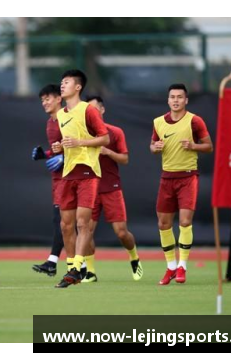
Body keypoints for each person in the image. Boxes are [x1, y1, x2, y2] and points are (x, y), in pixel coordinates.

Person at [150, 83, 213, 285]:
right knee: (163, 223)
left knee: (185, 222)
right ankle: (170, 267)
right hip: (167, 178)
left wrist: (194, 146)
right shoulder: (158, 122)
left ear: (186, 100)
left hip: (188, 177)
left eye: (179, 97)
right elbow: (153, 145)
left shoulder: (194, 121)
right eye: (172, 97)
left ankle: (182, 267)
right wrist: (155, 147)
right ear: (168, 100)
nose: (176, 100)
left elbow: (209, 146)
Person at [52, 70, 109, 288]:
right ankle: (71, 270)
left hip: (87, 172)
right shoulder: (61, 115)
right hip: (68, 173)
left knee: (82, 223)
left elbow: (104, 138)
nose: (61, 85)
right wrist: (59, 147)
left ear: (78, 87)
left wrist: (79, 142)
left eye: (65, 82)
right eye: (61, 82)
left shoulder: (88, 110)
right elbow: (68, 142)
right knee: (66, 225)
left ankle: (77, 268)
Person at [83, 96, 143, 283]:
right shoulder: (82, 134)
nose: (92, 113)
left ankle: (134, 257)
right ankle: (90, 272)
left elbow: (125, 159)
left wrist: (108, 152)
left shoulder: (115, 132)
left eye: (95, 109)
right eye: (88, 110)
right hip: (89, 189)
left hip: (111, 188)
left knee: (121, 232)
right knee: (85, 231)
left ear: (102, 110)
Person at [31, 84, 65, 277]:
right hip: (58, 178)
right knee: (61, 222)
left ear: (59, 98)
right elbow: (58, 150)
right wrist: (45, 154)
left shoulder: (67, 118)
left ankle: (80, 267)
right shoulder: (50, 123)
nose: (44, 103)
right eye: (42, 100)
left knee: (69, 223)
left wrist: (64, 158)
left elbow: (78, 147)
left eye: (48, 98)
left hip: (73, 176)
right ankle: (57, 263)